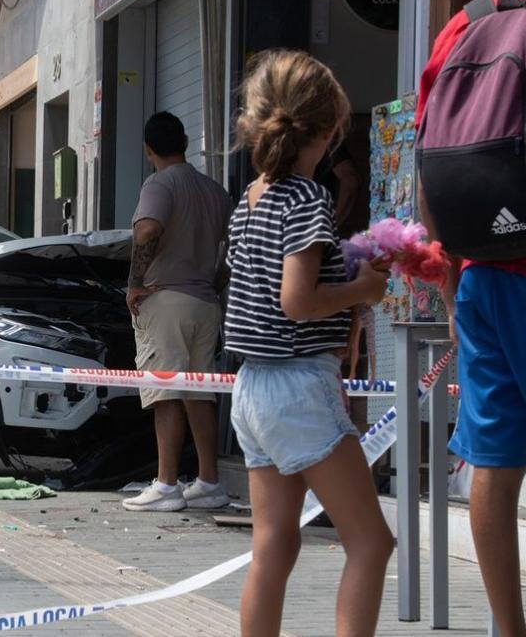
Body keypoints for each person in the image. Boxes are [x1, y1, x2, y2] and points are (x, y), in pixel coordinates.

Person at [226, 50, 392, 636]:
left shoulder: (251, 198)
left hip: (251, 387)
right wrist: (361, 289)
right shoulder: (306, 200)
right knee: (371, 542)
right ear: (328, 129)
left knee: (273, 545)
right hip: (297, 383)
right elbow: (296, 301)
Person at [416, 0, 526, 634]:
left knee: (493, 456)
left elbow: (429, 165)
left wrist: (455, 287)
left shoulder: (462, 24)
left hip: (482, 273)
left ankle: (508, 627)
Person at [121, 112, 233, 512]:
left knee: (165, 391)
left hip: (166, 299)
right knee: (198, 394)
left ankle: (167, 485)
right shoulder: (214, 191)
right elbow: (235, 248)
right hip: (205, 304)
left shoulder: (159, 184)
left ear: (148, 149)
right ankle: (209, 482)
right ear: (184, 142)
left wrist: (135, 282)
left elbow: (147, 229)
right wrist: (213, 282)